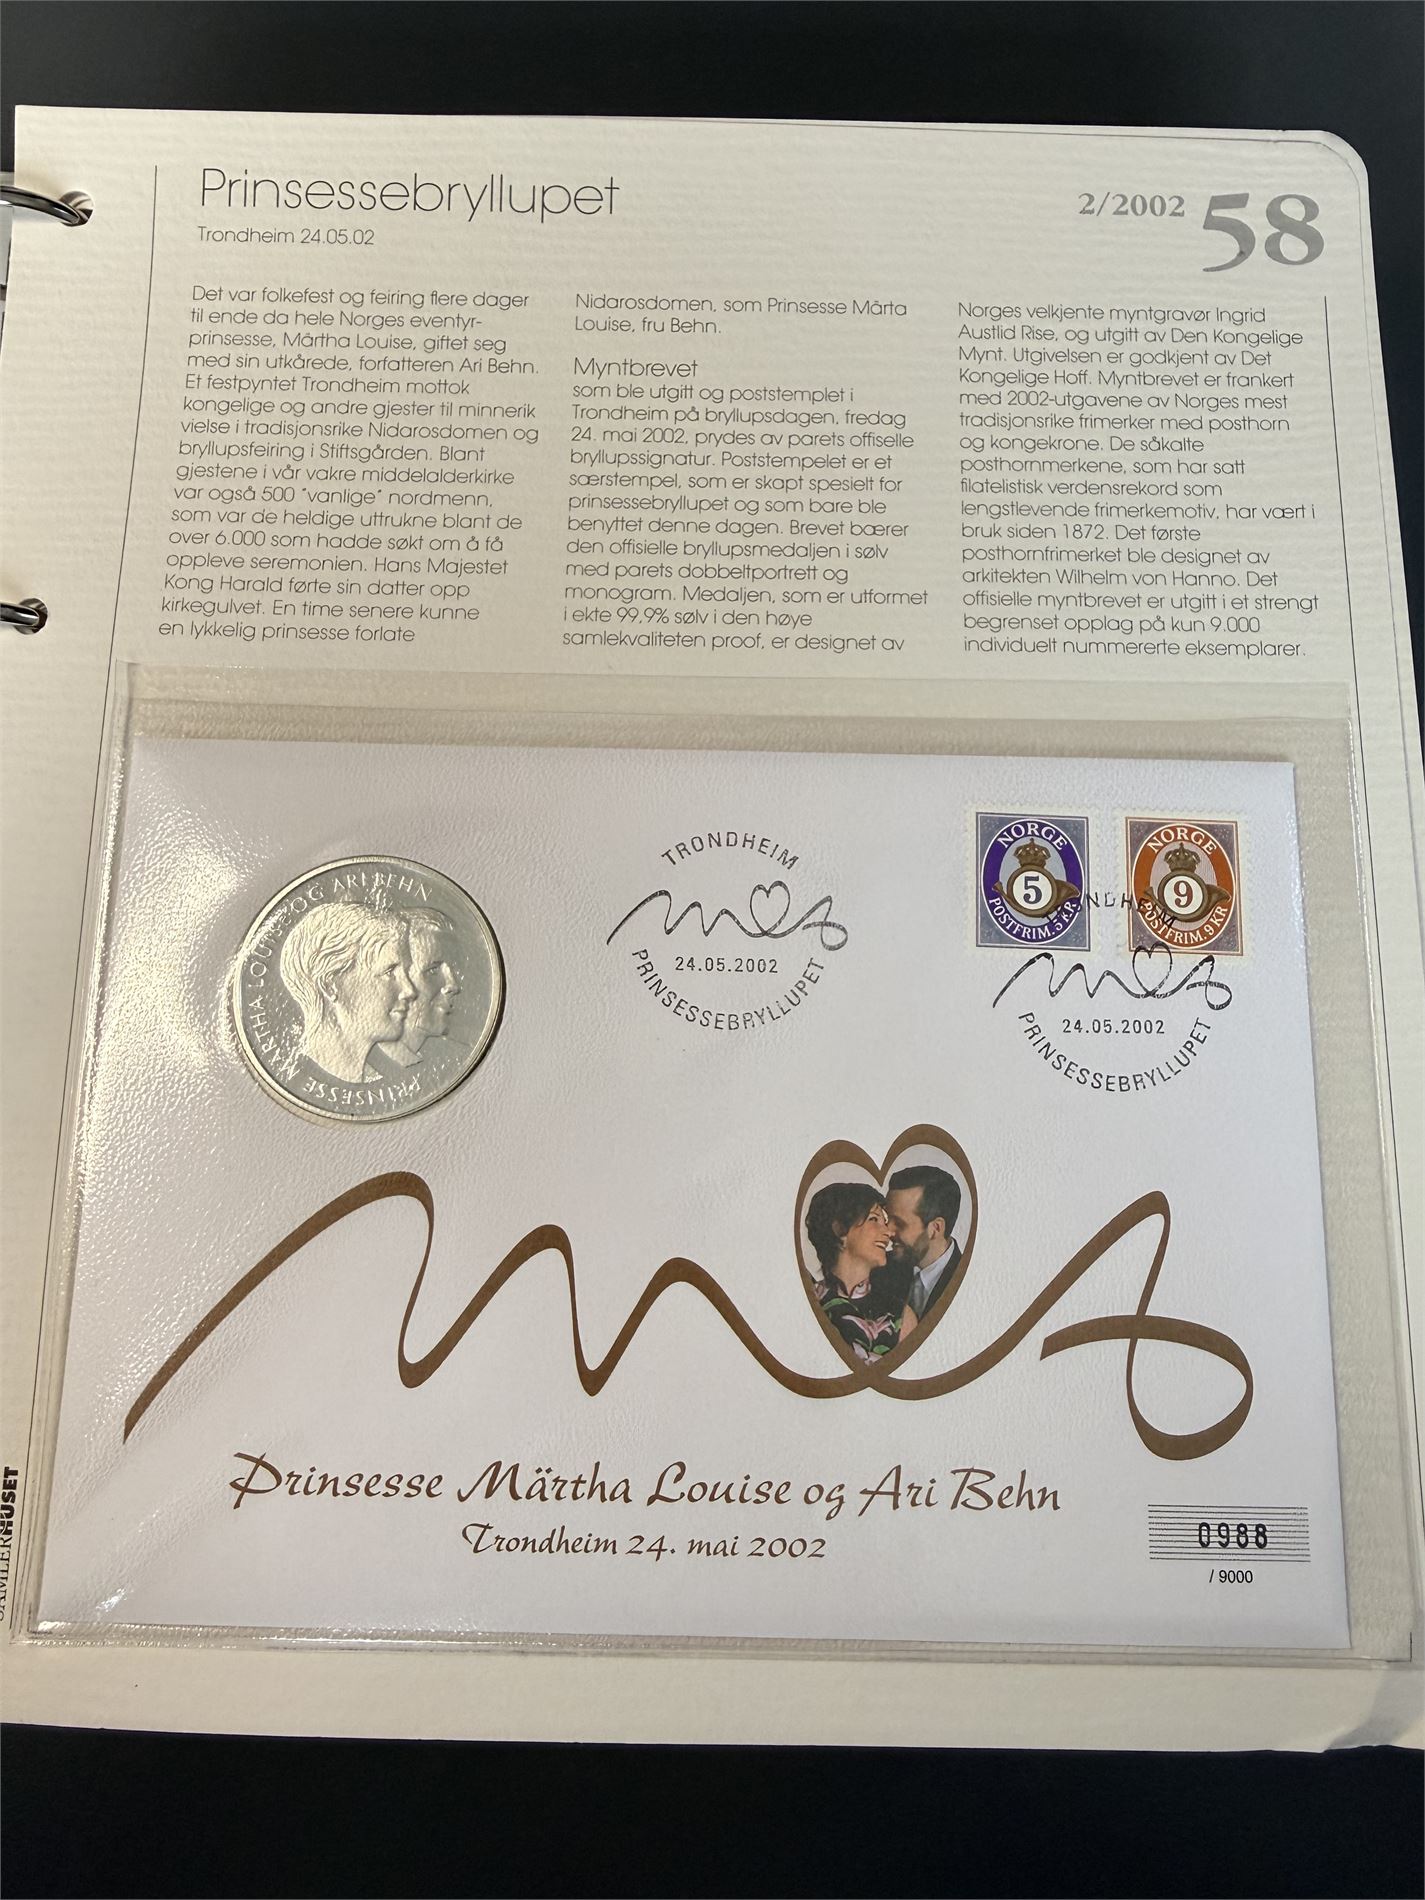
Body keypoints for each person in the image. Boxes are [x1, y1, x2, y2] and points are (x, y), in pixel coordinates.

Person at [278, 902, 416, 1082]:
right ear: (330, 986)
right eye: (389, 972)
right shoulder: (291, 1074)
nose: (410, 990)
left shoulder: (375, 1078)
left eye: (406, 972)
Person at [804, 1181, 912, 1362]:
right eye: (874, 1219)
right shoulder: (807, 1301)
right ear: (840, 1229)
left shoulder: (901, 1316)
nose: (888, 1232)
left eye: (885, 1222)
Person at [382, 907, 466, 1068]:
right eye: (433, 970)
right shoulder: (360, 1063)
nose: (453, 985)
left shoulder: (455, 1058)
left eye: (453, 969)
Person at [885, 1164, 964, 1327]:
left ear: (935, 1228)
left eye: (899, 1223)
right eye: (887, 1219)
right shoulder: (877, 1270)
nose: (887, 1231)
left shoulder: (971, 1283)